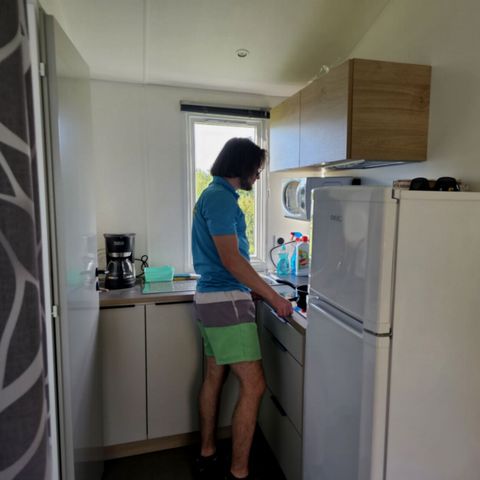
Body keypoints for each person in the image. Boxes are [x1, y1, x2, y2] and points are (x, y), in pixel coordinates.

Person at [192, 137, 293, 480]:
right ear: (242, 166)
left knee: (214, 375)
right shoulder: (220, 199)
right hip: (225, 301)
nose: (258, 176)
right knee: (255, 385)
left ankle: (207, 454)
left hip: (213, 297)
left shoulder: (215, 194)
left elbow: (229, 261)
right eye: (257, 169)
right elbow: (232, 260)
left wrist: (252, 289)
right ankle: (239, 472)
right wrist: (275, 297)